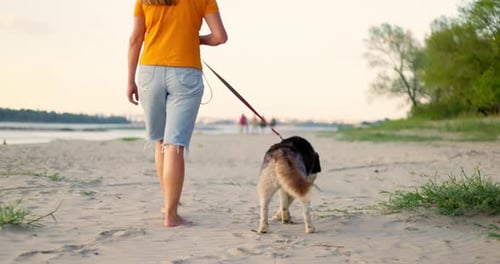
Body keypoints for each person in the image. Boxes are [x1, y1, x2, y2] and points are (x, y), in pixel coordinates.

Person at [127, 0, 227, 227]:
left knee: (160, 141)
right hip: (185, 72)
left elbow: (135, 38)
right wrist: (196, 39)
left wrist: (129, 80)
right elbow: (219, 37)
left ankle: (166, 205)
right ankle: (171, 214)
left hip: (149, 71)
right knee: (175, 145)